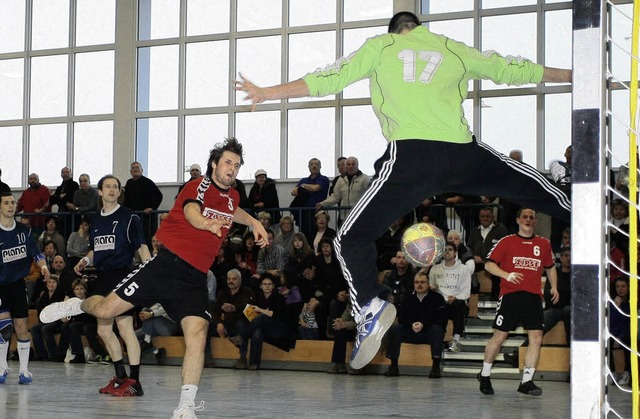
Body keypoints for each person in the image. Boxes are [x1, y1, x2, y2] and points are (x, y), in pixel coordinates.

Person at [234, 10, 572, 370]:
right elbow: (510, 68)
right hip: (461, 152)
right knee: (526, 183)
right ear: (418, 28)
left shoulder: (381, 46)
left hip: (412, 158)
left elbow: (328, 77)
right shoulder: (449, 47)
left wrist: (269, 92)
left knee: (350, 237)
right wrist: (571, 76)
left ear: (394, 31)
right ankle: (577, 207)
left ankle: (370, 305)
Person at [40, 138, 268, 418]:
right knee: (105, 310)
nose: (232, 168)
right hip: (165, 267)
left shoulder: (232, 196)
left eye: (236, 164)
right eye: (227, 162)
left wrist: (254, 221)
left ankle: (185, 407)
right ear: (214, 165)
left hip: (194, 278)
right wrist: (206, 223)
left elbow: (234, 210)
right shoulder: (199, 185)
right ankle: (77, 305)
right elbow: (191, 211)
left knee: (197, 334)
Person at [63, 174, 152, 397]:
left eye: (116, 186)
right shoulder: (96, 220)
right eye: (108, 186)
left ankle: (135, 382)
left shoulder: (130, 217)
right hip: (102, 277)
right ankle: (121, 376)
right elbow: (96, 250)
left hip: (122, 276)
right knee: (103, 329)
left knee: (124, 328)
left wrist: (150, 272)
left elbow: (141, 247)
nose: (112, 190)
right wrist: (85, 260)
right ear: (100, 192)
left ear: (119, 192)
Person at [478, 208, 558, 396]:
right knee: (499, 337)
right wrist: (507, 274)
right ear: (517, 220)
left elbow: (551, 267)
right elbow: (489, 264)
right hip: (510, 295)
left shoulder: (543, 244)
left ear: (535, 222)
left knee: (536, 338)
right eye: (525, 217)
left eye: (532, 217)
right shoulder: (507, 241)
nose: (528, 220)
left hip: (533, 297)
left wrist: (553, 287)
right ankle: (485, 375)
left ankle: (527, 381)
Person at [0, 191, 51, 384]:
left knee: (22, 327)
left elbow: (37, 254)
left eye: (13, 202)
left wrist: (44, 266)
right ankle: (2, 368)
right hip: (0, 285)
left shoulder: (24, 231)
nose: (11, 206)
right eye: (6, 203)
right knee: (4, 328)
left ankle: (24, 371)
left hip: (17, 285)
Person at [384, 271, 447, 378]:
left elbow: (441, 319)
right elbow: (402, 318)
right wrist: (411, 324)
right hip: (410, 332)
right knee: (395, 328)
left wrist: (423, 325)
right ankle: (393, 366)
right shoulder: (408, 298)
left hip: (428, 333)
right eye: (417, 282)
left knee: (437, 329)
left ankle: (435, 367)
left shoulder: (437, 298)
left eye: (422, 282)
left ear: (428, 284)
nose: (419, 285)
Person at [234, 273, 297, 370]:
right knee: (252, 329)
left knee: (261, 317)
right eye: (264, 284)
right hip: (260, 328)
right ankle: (252, 363)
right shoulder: (257, 298)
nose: (267, 286)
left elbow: (275, 315)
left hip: (278, 329)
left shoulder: (279, 298)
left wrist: (260, 310)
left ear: (273, 286)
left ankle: (241, 337)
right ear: (261, 286)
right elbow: (250, 315)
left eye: (269, 284)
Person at [428, 241, 473, 352]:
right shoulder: (435, 269)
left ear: (455, 253)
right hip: (440, 302)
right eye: (445, 250)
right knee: (435, 306)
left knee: (458, 305)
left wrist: (455, 297)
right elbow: (431, 286)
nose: (447, 252)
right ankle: (438, 339)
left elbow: (466, 292)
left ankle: (456, 340)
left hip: (456, 301)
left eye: (450, 249)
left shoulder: (464, 269)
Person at [466, 207, 508, 300]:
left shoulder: (501, 229)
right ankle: (472, 297)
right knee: (466, 269)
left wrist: (491, 259)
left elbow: (504, 248)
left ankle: (496, 299)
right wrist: (474, 256)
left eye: (488, 216)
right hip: (477, 261)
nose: (485, 218)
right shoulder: (474, 230)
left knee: (497, 273)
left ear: (493, 217)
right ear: (479, 217)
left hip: (494, 261)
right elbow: (468, 247)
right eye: (482, 216)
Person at [316, 156, 370, 227]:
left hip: (360, 216)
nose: (350, 166)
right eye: (348, 164)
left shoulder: (364, 178)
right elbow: (335, 196)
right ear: (346, 166)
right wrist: (323, 204)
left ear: (357, 166)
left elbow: (370, 195)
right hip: (344, 217)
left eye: (353, 164)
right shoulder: (341, 180)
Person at [123, 161, 164, 244]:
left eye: (137, 168)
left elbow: (159, 196)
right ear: (130, 171)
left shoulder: (148, 182)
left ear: (142, 170)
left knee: (147, 239)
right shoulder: (129, 183)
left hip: (147, 217)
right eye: (133, 168)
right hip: (134, 216)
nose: (135, 170)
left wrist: (152, 208)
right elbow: (126, 199)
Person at [290, 158, 330, 238]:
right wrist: (306, 188)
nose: (314, 166)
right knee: (304, 235)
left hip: (317, 212)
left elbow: (316, 188)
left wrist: (303, 186)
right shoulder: (304, 180)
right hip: (303, 213)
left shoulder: (324, 179)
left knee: (317, 235)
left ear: (320, 167)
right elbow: (293, 192)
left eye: (317, 164)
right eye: (312, 164)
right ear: (308, 167)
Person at [30, 275, 66, 361]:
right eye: (49, 282)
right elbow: (40, 312)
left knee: (45, 329)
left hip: (58, 321)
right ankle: (41, 354)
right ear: (46, 284)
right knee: (34, 328)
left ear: (57, 284)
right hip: (46, 321)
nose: (51, 284)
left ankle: (54, 354)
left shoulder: (61, 295)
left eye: (53, 282)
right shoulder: (43, 296)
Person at [542, 246, 571, 345]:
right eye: (566, 255)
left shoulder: (576, 275)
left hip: (570, 311)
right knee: (543, 318)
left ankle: (570, 347)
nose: (569, 258)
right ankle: (517, 353)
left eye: (571, 256)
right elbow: (547, 294)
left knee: (568, 310)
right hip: (555, 308)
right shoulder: (554, 274)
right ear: (561, 258)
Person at [49, 166, 79, 237]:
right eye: (63, 172)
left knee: (71, 235)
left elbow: (71, 198)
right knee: (62, 235)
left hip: (71, 216)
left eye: (67, 172)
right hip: (61, 216)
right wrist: (60, 197)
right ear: (61, 174)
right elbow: (52, 200)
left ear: (71, 174)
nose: (65, 174)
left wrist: (59, 198)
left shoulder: (74, 185)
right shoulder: (59, 188)